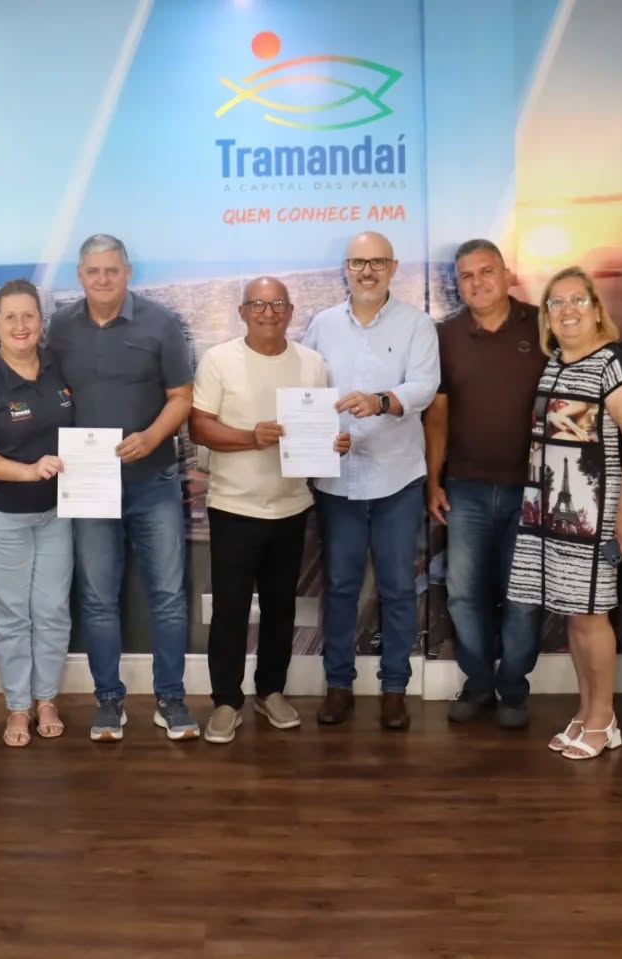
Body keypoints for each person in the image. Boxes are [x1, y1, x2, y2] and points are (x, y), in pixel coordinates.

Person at [47, 234, 199, 742]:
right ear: (80, 276)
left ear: (128, 273)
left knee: (169, 596)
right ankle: (108, 700)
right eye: (93, 271)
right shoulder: (60, 327)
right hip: (89, 486)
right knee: (96, 599)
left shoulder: (161, 322)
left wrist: (152, 436)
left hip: (153, 480)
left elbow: (182, 396)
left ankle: (171, 699)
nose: (103, 279)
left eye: (112, 270)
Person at [507, 266, 622, 761]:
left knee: (592, 617)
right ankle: (589, 710)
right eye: (557, 302)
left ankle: (603, 718)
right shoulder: (556, 364)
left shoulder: (614, 363)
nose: (568, 310)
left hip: (593, 516)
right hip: (550, 512)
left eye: (578, 300)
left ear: (596, 309)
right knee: (575, 615)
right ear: (547, 315)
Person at [190, 276, 349, 743]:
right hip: (233, 505)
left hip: (291, 506)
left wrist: (333, 444)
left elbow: (320, 429)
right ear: (242, 312)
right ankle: (226, 702)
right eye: (257, 304)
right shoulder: (218, 360)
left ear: (291, 311)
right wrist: (250, 437)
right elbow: (199, 428)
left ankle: (270, 691)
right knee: (230, 610)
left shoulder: (312, 364)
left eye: (277, 303)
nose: (268, 312)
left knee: (281, 607)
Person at [302, 231, 439, 731]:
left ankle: (394, 688)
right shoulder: (322, 325)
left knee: (398, 587)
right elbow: (306, 392)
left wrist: (380, 400)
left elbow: (425, 386)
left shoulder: (417, 324)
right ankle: (338, 685)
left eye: (377, 262)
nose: (366, 271)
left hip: (397, 477)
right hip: (338, 482)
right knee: (340, 587)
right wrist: (320, 438)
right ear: (345, 268)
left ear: (393, 267)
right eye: (358, 262)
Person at [425, 239, 545, 730]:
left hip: (531, 491)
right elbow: (437, 416)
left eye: (486, 271)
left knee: (523, 597)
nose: (477, 282)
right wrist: (433, 481)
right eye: (466, 275)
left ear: (507, 274)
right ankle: (477, 683)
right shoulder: (446, 336)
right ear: (457, 284)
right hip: (466, 487)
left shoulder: (542, 325)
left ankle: (513, 690)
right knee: (463, 595)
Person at [0, 279, 75, 747]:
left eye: (29, 316)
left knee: (52, 611)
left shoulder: (58, 367)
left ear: (42, 321)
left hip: (57, 515)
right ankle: (18, 706)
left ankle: (46, 699)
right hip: (3, 517)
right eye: (10, 317)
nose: (20, 325)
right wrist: (28, 472)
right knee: (10, 617)